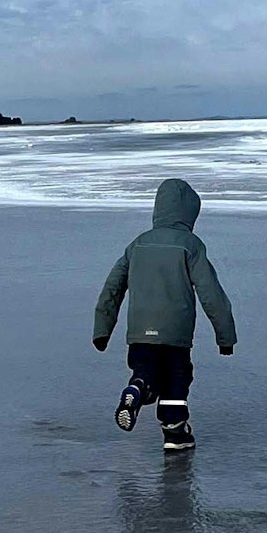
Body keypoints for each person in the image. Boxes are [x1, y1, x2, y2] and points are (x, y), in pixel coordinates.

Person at [93, 178, 237, 453]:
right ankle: (175, 433)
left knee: (145, 370)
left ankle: (137, 388)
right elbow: (211, 292)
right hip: (176, 333)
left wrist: (103, 328)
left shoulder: (138, 244)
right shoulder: (190, 245)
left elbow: (112, 288)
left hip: (139, 330)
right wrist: (225, 336)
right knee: (176, 379)